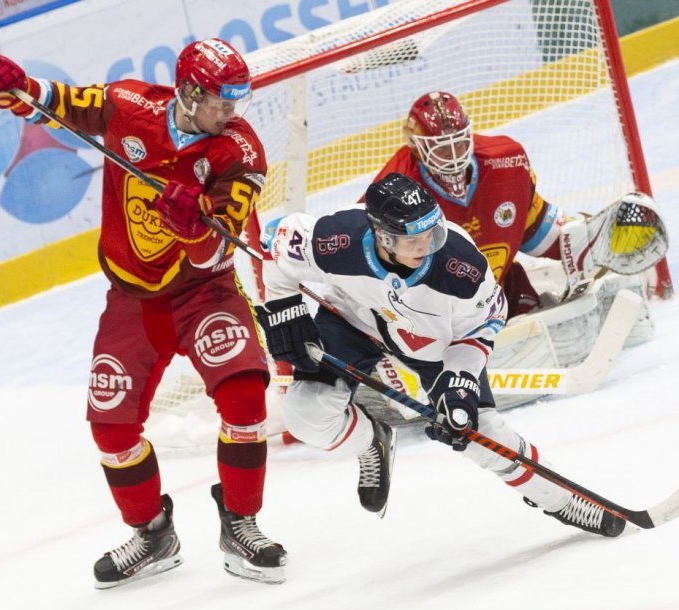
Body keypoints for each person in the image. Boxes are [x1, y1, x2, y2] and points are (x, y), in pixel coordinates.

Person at [0, 38, 287, 588]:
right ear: (189, 92)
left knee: (244, 398)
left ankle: (241, 523)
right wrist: (16, 89)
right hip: (132, 297)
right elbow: (61, 104)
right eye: (221, 101)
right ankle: (153, 534)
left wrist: (194, 226)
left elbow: (216, 249)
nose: (231, 112)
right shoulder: (128, 104)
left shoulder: (239, 152)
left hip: (205, 294)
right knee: (111, 429)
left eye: (237, 101)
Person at [254, 172, 624, 536]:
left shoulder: (462, 267)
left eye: (431, 232)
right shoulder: (337, 239)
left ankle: (562, 501)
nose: (426, 245)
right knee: (306, 415)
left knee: (481, 434)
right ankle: (372, 442)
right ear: (382, 236)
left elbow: (486, 322)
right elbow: (275, 239)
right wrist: (284, 307)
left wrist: (460, 380)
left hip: (435, 346)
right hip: (352, 322)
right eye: (412, 238)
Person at [370, 90, 660, 318]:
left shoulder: (506, 162)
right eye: (442, 148)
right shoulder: (392, 191)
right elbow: (369, 266)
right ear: (416, 147)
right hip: (433, 317)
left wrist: (591, 243)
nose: (454, 155)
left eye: (459, 142)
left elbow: (534, 230)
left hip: (501, 292)